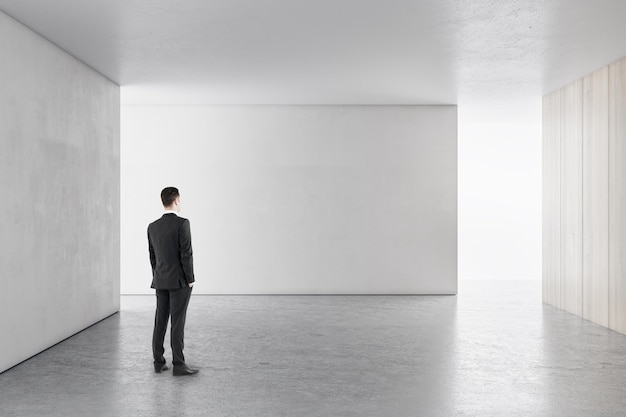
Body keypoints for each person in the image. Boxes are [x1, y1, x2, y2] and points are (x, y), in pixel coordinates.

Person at [148, 187, 198, 376]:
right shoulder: (182, 223)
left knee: (160, 321)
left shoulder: (152, 226)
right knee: (177, 322)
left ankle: (158, 362)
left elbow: (152, 256)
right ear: (176, 201)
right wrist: (190, 278)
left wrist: (157, 275)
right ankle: (178, 364)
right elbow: (186, 253)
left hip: (160, 279)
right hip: (179, 281)